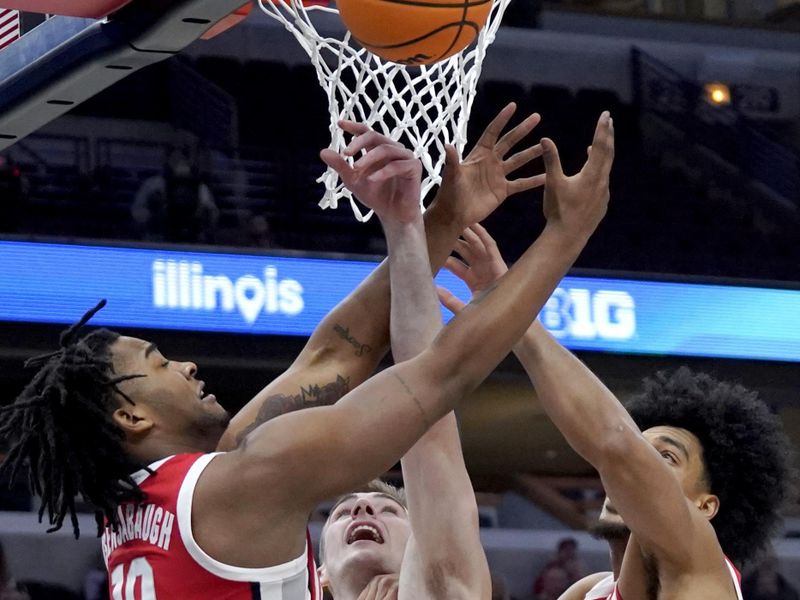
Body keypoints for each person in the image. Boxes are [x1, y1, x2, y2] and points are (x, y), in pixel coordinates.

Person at [0, 108, 613, 598]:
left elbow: (333, 359)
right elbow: (442, 374)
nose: (186, 365)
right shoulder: (241, 483)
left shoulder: (150, 504)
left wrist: (437, 217)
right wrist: (565, 235)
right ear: (131, 418)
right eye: (159, 363)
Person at [316, 113, 614, 600]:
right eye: (345, 510)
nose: (364, 511)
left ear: (424, 543)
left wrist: (407, 227)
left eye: (390, 511)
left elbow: (423, 415)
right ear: (318, 571)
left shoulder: (444, 586)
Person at [439, 221, 794, 600]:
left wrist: (512, 310)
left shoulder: (703, 569)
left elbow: (614, 443)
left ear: (704, 506)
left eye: (665, 457)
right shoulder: (588, 592)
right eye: (643, 447)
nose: (635, 463)